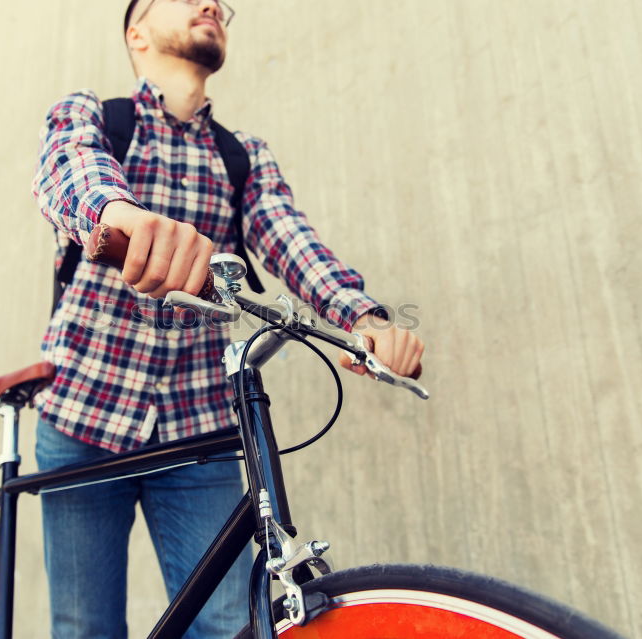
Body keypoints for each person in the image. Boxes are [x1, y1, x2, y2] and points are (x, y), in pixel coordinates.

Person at [30, 0, 426, 637]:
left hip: (199, 430)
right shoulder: (95, 116)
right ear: (137, 33)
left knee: (226, 624)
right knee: (84, 626)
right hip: (84, 412)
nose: (211, 4)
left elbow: (289, 237)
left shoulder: (243, 156)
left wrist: (362, 319)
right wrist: (117, 214)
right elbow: (68, 166)